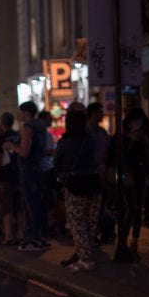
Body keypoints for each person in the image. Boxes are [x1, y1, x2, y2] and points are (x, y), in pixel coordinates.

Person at [54, 109, 101, 271]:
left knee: (77, 223)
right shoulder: (91, 140)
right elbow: (98, 159)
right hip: (94, 183)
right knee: (90, 222)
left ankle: (85, 259)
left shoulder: (64, 142)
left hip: (75, 185)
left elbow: (56, 163)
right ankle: (83, 254)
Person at [6, 101, 50, 251]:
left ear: (26, 113)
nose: (19, 115)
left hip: (28, 170)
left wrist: (12, 146)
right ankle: (42, 237)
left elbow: (24, 152)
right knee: (39, 203)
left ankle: (34, 239)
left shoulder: (27, 127)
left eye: (21, 112)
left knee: (31, 205)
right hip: (40, 169)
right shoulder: (41, 126)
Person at [109, 107, 149, 260]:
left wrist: (143, 141)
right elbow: (114, 155)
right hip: (125, 176)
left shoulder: (145, 136)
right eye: (134, 121)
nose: (137, 124)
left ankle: (134, 242)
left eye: (139, 121)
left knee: (136, 209)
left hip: (140, 176)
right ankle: (124, 241)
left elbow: (148, 158)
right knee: (129, 208)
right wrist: (131, 142)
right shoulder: (121, 136)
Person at [0, 112, 23, 245]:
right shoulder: (19, 136)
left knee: (6, 206)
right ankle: (21, 233)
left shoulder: (0, 139)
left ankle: (8, 235)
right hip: (19, 174)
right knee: (19, 205)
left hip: (5, 176)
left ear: (1, 123)